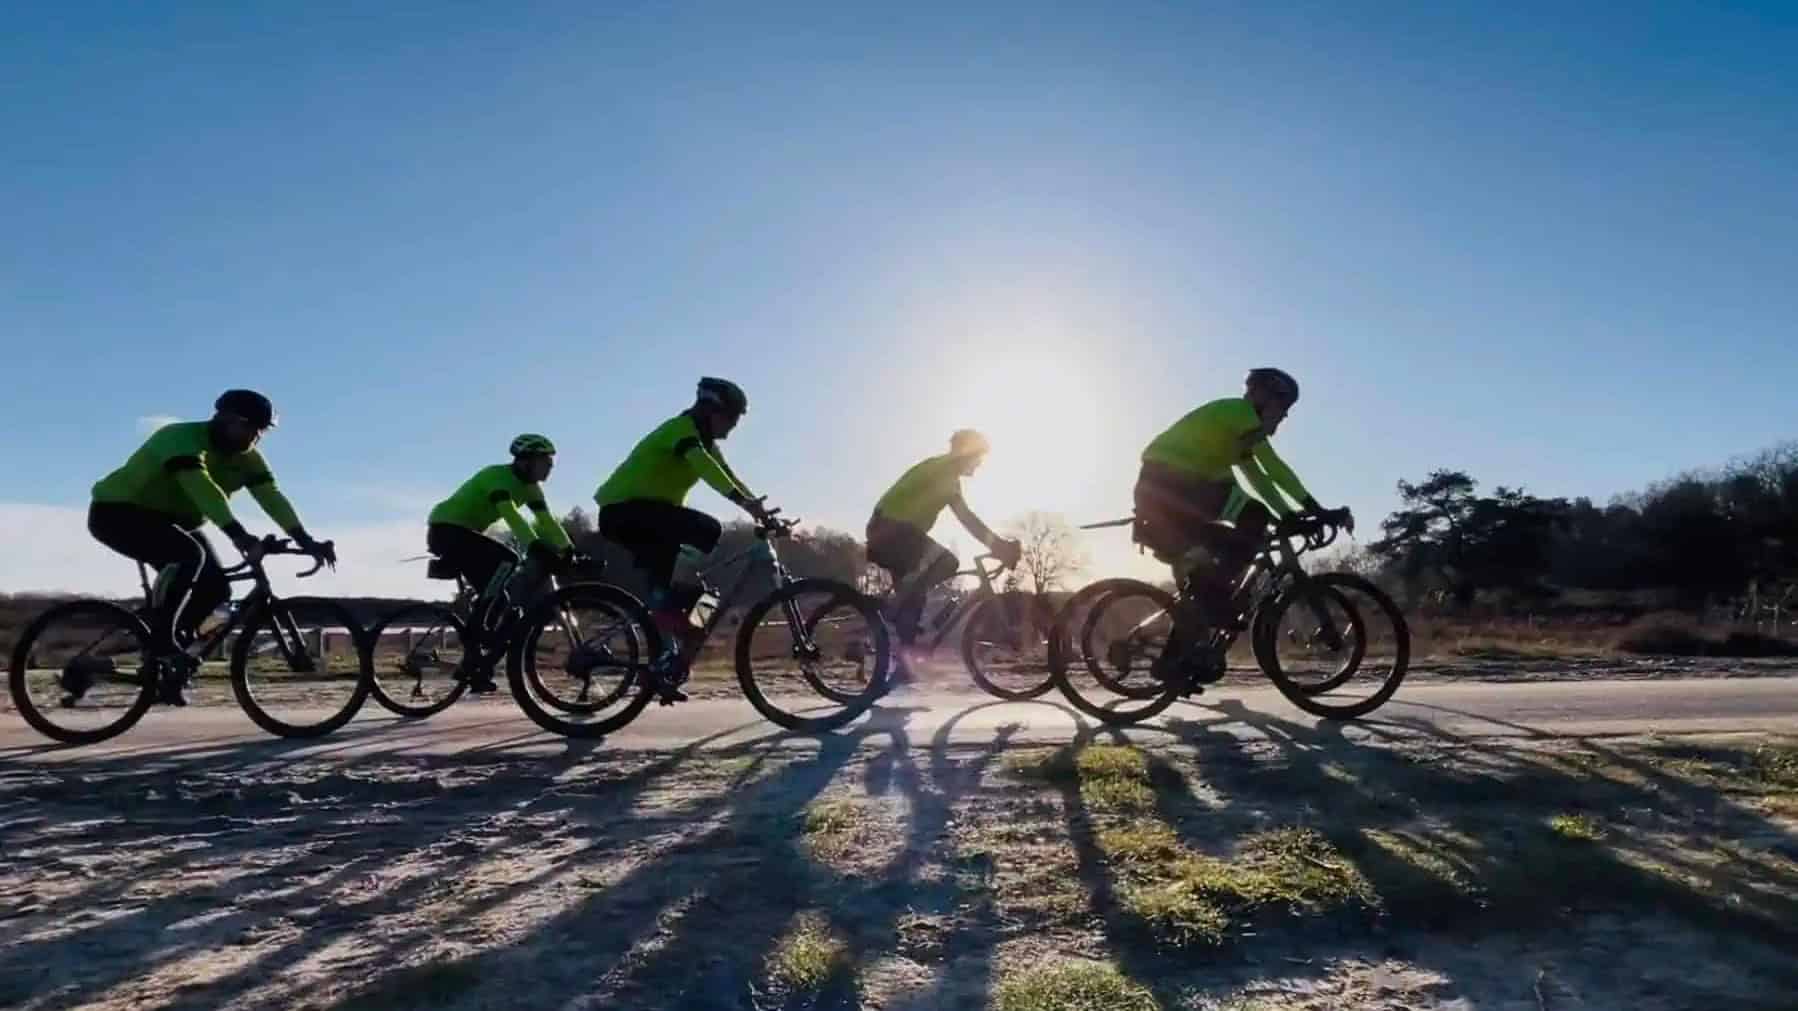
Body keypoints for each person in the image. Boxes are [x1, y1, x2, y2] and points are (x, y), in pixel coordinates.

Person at [89, 390, 335, 701]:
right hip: (118, 512)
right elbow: (202, 490)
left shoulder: (248, 460)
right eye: (248, 427)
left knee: (217, 589)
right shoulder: (179, 438)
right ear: (224, 418)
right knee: (189, 555)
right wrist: (240, 537)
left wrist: (306, 540)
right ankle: (164, 644)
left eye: (261, 431)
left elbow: (270, 496)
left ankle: (166, 666)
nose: (254, 437)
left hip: (174, 523)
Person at [1134, 368, 1352, 674]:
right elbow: (1272, 467)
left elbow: (1260, 479)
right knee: (1249, 526)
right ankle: (1215, 605)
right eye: (1283, 407)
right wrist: (1307, 511)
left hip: (1173, 490)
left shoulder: (1236, 433)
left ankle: (1174, 663)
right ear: (1263, 399)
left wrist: (1297, 513)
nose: (1283, 417)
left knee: (1204, 585)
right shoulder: (1239, 413)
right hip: (1176, 484)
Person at [595, 377, 765, 694]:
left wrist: (760, 509)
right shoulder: (681, 430)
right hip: (623, 512)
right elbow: (706, 470)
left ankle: (664, 668)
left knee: (706, 603)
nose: (732, 429)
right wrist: (746, 505)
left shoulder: (705, 442)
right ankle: (664, 607)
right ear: (710, 410)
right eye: (731, 419)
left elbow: (728, 475)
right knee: (707, 528)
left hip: (651, 517)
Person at [426, 434, 575, 691]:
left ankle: (475, 667)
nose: (550, 467)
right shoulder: (496, 477)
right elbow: (511, 516)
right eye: (545, 461)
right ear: (526, 462)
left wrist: (568, 549)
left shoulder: (532, 489)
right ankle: (476, 627)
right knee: (509, 558)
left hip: (467, 535)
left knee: (504, 602)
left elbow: (546, 521)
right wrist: (535, 545)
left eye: (551, 462)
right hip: (446, 529)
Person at [866, 429, 1021, 669]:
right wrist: (1000, 547)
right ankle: (894, 608)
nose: (979, 465)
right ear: (967, 452)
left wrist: (999, 546)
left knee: (914, 600)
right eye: (978, 458)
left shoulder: (942, 470)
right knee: (947, 562)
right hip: (891, 531)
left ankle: (901, 665)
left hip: (890, 532)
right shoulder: (944, 473)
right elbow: (968, 519)